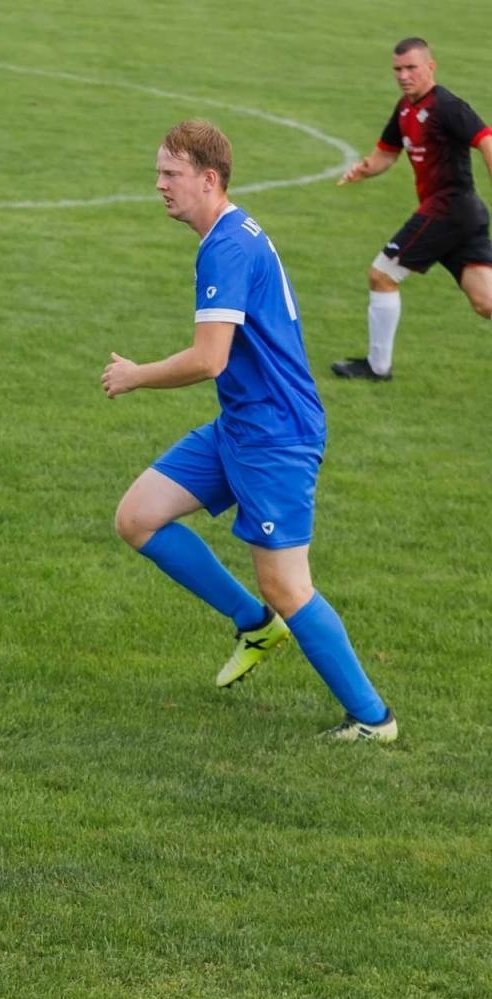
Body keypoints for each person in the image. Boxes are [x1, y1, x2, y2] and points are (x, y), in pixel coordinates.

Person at [103, 120, 396, 742]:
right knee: (138, 517)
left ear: (209, 180)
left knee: (287, 584)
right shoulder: (231, 231)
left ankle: (374, 719)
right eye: (159, 172)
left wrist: (135, 376)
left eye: (170, 174)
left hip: (276, 437)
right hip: (241, 423)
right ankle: (254, 624)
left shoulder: (228, 247)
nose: (159, 185)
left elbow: (209, 358)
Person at [332, 38, 492, 382]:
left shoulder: (447, 106)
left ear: (430, 67)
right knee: (486, 302)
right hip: (461, 215)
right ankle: (377, 367)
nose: (404, 76)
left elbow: (485, 140)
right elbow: (386, 154)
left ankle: (377, 368)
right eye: (397, 69)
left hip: (449, 208)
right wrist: (363, 168)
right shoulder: (405, 109)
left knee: (382, 274)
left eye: (411, 68)